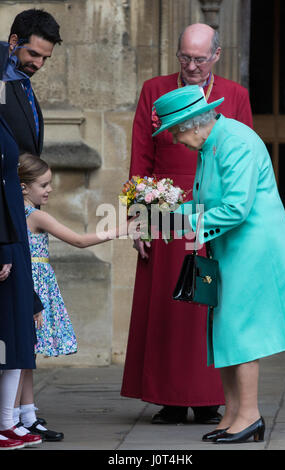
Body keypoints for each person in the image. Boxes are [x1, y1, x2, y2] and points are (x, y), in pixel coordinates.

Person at [151, 84, 285, 444]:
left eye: (174, 131)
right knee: (225, 329)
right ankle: (233, 414)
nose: (173, 139)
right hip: (231, 249)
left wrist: (177, 223)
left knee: (241, 330)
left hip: (255, 250)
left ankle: (249, 416)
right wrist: (159, 218)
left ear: (193, 124)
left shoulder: (235, 142)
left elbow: (235, 208)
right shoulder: (212, 144)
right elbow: (204, 207)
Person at [121, 23, 253, 425]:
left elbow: (244, 154)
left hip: (215, 214)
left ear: (216, 56)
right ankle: (171, 399)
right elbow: (141, 156)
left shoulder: (236, 95)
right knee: (169, 309)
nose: (191, 66)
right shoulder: (153, 90)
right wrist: (137, 219)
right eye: (184, 57)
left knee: (209, 307)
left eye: (199, 58)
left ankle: (212, 398)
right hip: (165, 211)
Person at [14, 153, 140, 440]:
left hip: (32, 285)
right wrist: (121, 230)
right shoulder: (35, 215)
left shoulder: (17, 214)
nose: (49, 190)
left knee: (27, 356)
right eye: (43, 185)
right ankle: (13, 419)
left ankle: (27, 415)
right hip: (34, 287)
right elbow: (79, 240)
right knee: (23, 357)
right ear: (24, 186)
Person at [0, 116, 43, 449]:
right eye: (44, 185)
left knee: (17, 346)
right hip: (8, 251)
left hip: (15, 255)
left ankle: (12, 420)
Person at [0, 8, 62, 156]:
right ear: (14, 41)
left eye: (45, 58)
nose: (39, 64)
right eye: (33, 54)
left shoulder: (19, 75)